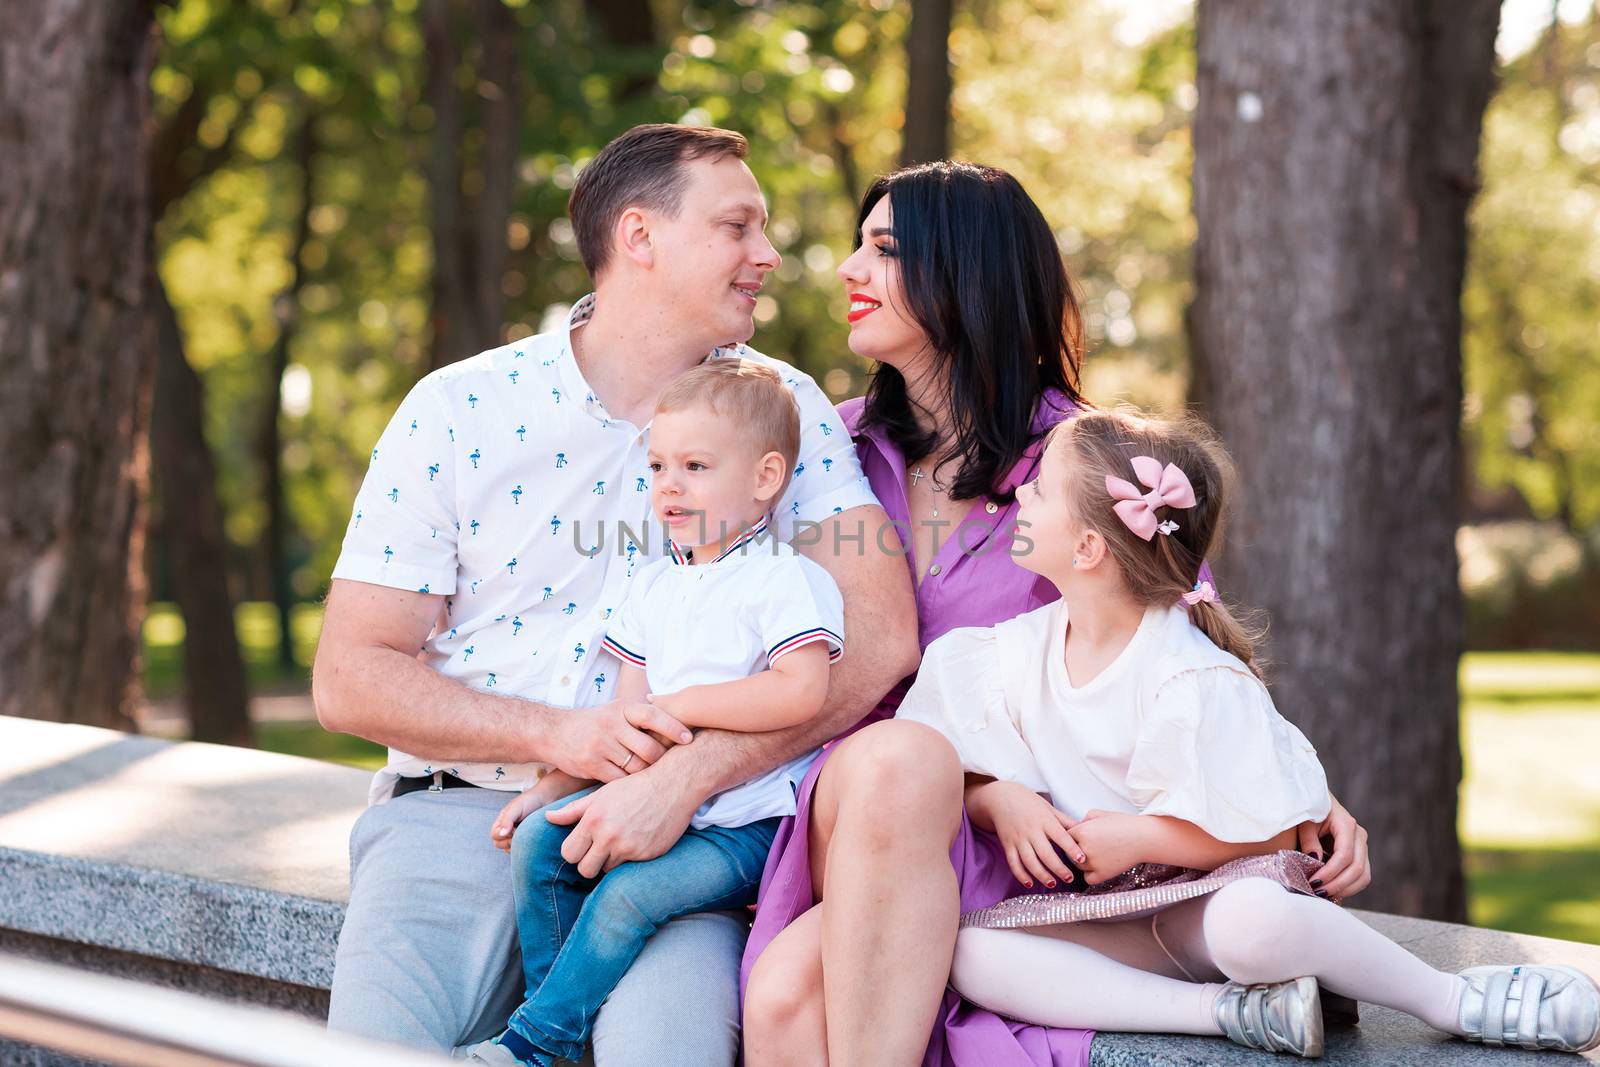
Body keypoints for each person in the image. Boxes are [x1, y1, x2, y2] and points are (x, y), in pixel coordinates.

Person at [740, 161, 1376, 1067]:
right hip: (863, 809)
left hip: (1030, 836)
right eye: (858, 244)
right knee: (896, 758)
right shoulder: (825, 449)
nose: (847, 268)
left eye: (883, 249)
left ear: (971, 273)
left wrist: (1302, 791)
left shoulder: (1083, 463)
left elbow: (1181, 640)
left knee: (785, 995)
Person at [314, 124, 919, 1062]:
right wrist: (561, 737)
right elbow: (349, 676)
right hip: (460, 816)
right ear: (640, 237)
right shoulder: (458, 407)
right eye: (737, 227)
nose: (768, 256)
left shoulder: (783, 410)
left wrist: (680, 779)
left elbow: (880, 638)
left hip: (681, 836)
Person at [902, 407, 1600, 1058]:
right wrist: (998, 799)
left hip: (1212, 904)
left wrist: (1140, 838)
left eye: (1040, 489)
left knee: (1251, 925)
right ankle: (1225, 1013)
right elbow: (945, 751)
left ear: (1087, 547)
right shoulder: (1012, 652)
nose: (1020, 493)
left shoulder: (1189, 674)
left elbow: (1277, 830)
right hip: (1114, 917)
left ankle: (1452, 997)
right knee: (972, 954)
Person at [468, 360, 846, 1067]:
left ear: (765, 479)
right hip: (661, 802)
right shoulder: (651, 586)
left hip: (748, 825)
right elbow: (629, 716)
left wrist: (685, 705)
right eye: (659, 465)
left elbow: (802, 690)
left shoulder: (782, 578)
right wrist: (557, 785)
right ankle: (559, 1026)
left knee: (627, 893)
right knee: (540, 847)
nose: (668, 484)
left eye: (695, 465)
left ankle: (536, 1041)